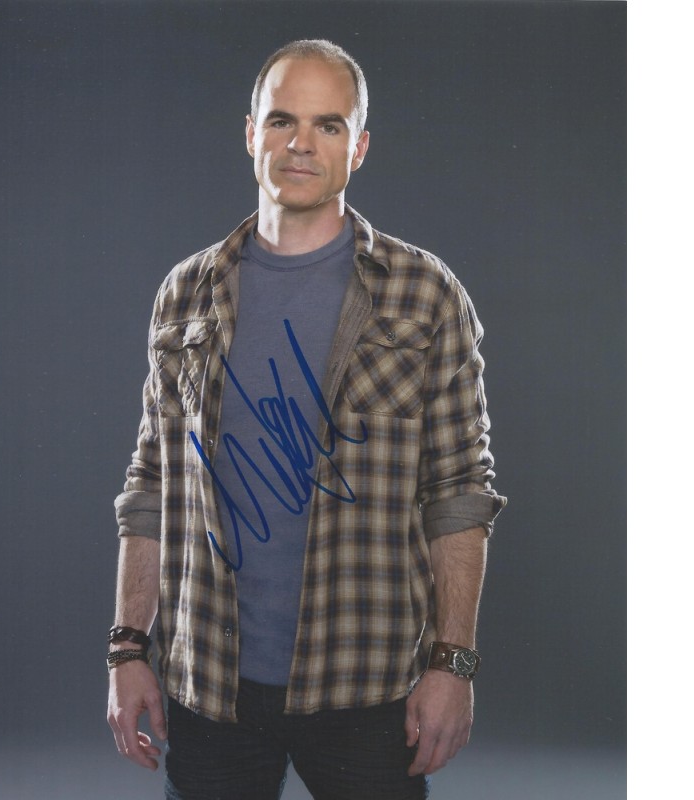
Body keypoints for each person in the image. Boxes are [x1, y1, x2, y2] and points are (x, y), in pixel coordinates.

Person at [107, 39, 506, 800]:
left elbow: (460, 491)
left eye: (328, 125)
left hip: (367, 683)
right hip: (211, 683)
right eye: (282, 119)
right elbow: (150, 482)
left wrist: (452, 665)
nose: (301, 143)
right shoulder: (186, 293)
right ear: (250, 133)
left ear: (359, 147)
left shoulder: (424, 294)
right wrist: (127, 648)